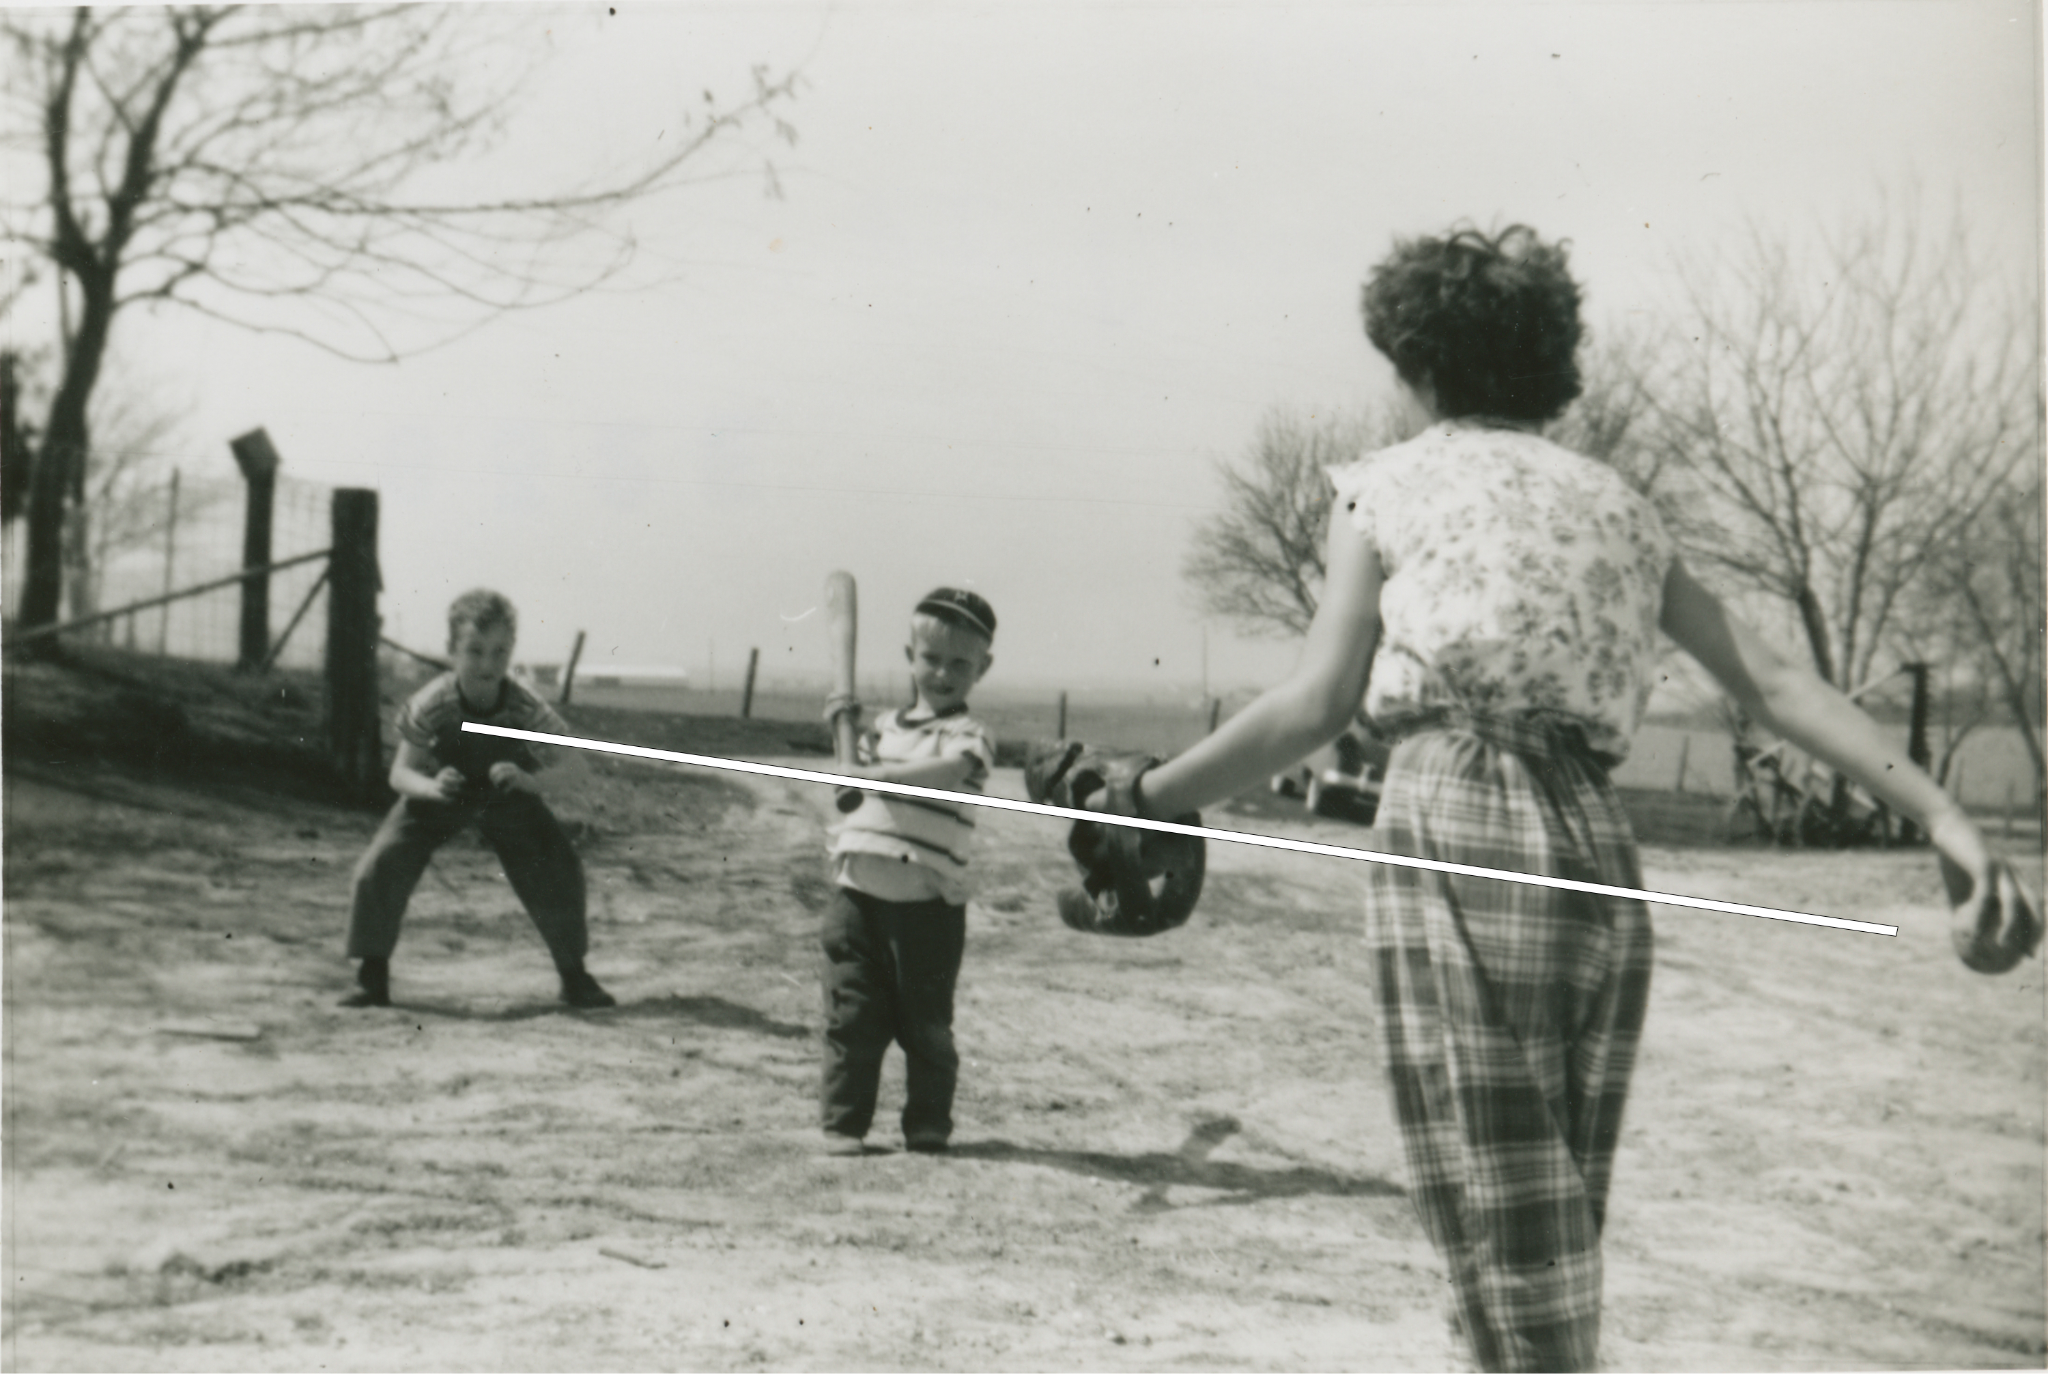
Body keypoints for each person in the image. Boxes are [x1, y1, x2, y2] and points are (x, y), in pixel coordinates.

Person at [1117, 225, 2006, 1373]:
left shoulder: (1381, 489)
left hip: (1452, 814)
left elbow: (1312, 706)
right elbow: (1777, 684)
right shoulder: (1616, 504)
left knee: (1489, 1191)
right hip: (1591, 837)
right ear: (1547, 363)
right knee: (1547, 1196)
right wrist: (1944, 815)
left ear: (1417, 364)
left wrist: (1150, 792)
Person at [342, 588, 615, 1011]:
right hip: (443, 790)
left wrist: (529, 780)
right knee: (382, 863)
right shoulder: (433, 702)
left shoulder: (525, 707)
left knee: (557, 867)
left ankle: (574, 976)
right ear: (453, 651)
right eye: (475, 651)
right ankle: (371, 975)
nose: (488, 665)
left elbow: (576, 768)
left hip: (508, 794)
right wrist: (431, 789)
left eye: (500, 651)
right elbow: (400, 773)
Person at [818, 587, 999, 1157]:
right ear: (909, 656)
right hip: (856, 895)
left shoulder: (969, 735)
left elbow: (946, 773)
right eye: (931, 658)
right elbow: (853, 782)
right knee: (852, 1014)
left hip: (925, 904)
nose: (943, 672)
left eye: (960, 663)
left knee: (925, 1025)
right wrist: (842, 732)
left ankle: (927, 1124)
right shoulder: (880, 730)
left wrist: (877, 774)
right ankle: (844, 1124)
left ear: (982, 669)